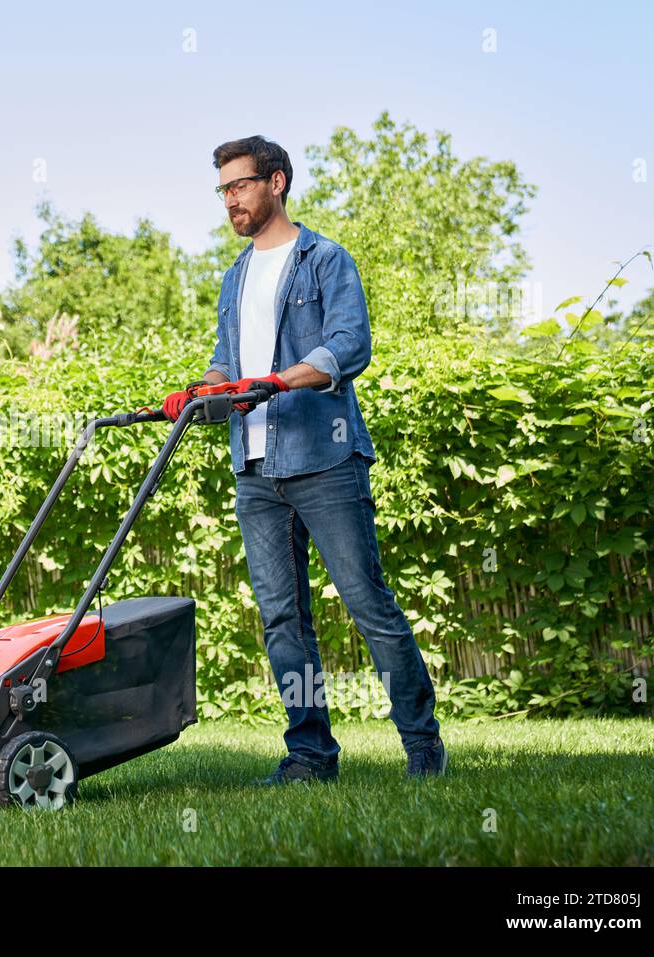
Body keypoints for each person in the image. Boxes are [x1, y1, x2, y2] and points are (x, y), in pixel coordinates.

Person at [162, 135, 446, 784]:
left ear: (277, 182)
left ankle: (422, 746)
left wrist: (281, 381)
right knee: (283, 617)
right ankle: (310, 755)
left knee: (368, 602)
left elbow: (349, 345)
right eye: (224, 189)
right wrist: (203, 388)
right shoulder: (236, 276)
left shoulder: (325, 259)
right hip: (256, 470)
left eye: (240, 185)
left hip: (324, 459)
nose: (231, 199)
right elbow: (226, 364)